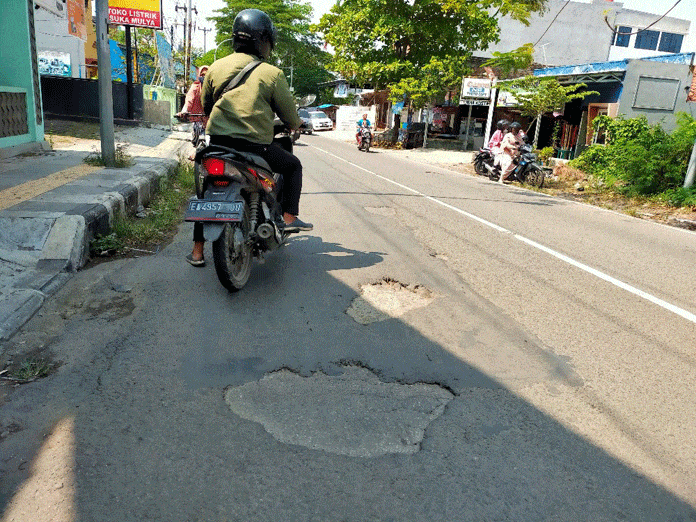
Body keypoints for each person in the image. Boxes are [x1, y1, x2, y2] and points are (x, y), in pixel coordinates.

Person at [187, 9, 310, 267]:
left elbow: (208, 106)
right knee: (293, 165)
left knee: (205, 193)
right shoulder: (272, 74)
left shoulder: (216, 67)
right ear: (264, 41)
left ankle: (198, 251)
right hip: (255, 148)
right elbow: (289, 114)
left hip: (218, 146)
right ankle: (289, 218)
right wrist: (295, 124)